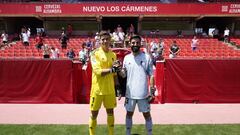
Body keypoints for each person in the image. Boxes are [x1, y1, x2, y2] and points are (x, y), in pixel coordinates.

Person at [118, 34, 156, 135]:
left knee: (147, 114)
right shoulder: (126, 58)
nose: (135, 44)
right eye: (133, 43)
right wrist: (118, 70)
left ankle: (149, 133)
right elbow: (123, 75)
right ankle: (128, 133)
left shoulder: (146, 57)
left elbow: (151, 75)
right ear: (130, 44)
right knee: (129, 114)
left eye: (137, 43)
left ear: (140, 44)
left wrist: (152, 91)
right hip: (130, 93)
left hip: (143, 94)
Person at [89, 30, 121, 135]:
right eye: (103, 39)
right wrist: (112, 70)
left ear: (110, 40)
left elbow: (115, 74)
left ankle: (111, 133)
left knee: (110, 112)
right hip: (97, 90)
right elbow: (98, 72)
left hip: (110, 89)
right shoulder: (94, 53)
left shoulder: (113, 55)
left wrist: (118, 87)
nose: (105, 41)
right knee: (94, 113)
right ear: (100, 41)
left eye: (107, 39)